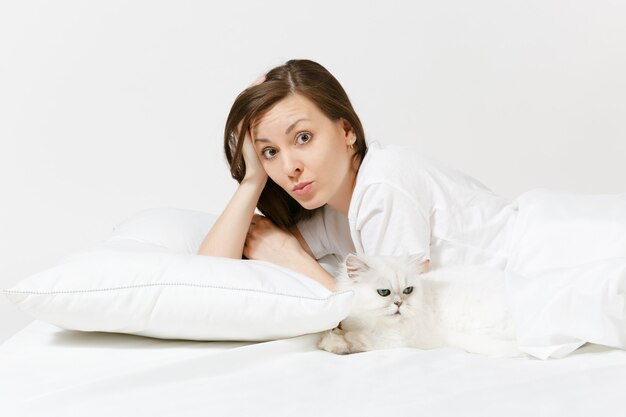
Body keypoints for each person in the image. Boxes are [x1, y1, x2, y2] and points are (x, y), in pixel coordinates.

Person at [197, 59, 519, 292]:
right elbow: (209, 278)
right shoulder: (330, 214)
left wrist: (296, 262)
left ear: (346, 130)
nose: (288, 167)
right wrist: (253, 179)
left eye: (303, 138)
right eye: (270, 152)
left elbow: (400, 327)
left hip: (541, 264)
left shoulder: (383, 184)